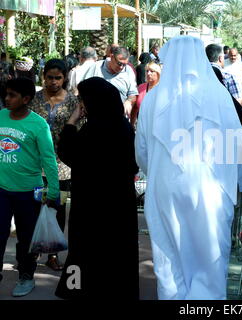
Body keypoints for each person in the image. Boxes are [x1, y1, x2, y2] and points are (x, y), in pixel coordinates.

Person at [135, 36, 242, 300]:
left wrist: (156, 175)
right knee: (209, 258)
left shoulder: (154, 98)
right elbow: (237, 144)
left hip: (165, 190)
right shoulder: (218, 95)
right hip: (210, 190)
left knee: (170, 259)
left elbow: (141, 149)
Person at [55, 77, 139, 300]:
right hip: (119, 202)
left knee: (84, 249)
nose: (81, 104)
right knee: (118, 250)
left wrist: (72, 121)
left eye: (83, 100)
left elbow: (66, 152)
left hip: (90, 202)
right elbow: (134, 163)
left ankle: (77, 288)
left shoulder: (92, 129)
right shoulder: (122, 127)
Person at [0, 77, 59, 297]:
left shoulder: (38, 124)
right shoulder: (0, 117)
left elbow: (48, 159)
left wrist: (53, 191)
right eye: (6, 94)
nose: (7, 99)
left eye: (12, 95)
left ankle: (26, 276)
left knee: (26, 238)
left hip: (28, 193)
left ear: (26, 99)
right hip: (1, 190)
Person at [29, 59, 81, 271]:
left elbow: (77, 131)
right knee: (33, 208)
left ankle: (53, 253)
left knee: (57, 210)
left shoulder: (72, 102)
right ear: (43, 77)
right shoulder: (33, 99)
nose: (53, 82)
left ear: (65, 78)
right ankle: (33, 251)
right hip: (34, 165)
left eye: (58, 77)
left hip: (62, 167)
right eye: (49, 77)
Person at [85, 46, 138, 118]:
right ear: (112, 57)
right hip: (97, 118)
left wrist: (129, 101)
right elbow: (83, 89)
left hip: (119, 119)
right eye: (119, 63)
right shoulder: (96, 67)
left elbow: (133, 94)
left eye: (124, 64)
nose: (121, 67)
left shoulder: (128, 70)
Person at [132, 61, 161, 126]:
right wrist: (132, 124)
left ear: (158, 73)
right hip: (142, 125)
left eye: (151, 71)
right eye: (147, 71)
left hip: (158, 126)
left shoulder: (162, 89)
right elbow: (135, 108)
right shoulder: (141, 87)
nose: (148, 73)